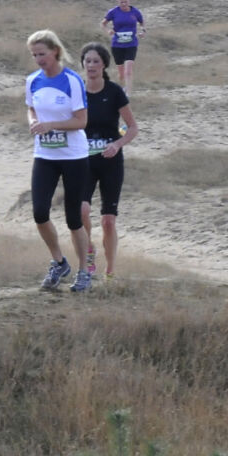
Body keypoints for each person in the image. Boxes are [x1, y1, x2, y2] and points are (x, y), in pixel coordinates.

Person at [26, 30, 92, 291]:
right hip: (45, 155)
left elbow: (81, 120)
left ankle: (84, 272)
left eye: (42, 54)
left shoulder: (72, 81)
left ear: (55, 51)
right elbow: (31, 108)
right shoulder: (32, 81)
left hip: (74, 156)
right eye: (34, 55)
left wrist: (52, 124)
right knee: (39, 212)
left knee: (73, 218)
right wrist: (33, 122)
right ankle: (59, 262)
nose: (39, 59)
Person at [79, 42, 138, 284]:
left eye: (96, 61)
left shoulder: (114, 92)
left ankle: (110, 271)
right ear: (82, 64)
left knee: (108, 220)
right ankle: (89, 250)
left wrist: (117, 144)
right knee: (81, 210)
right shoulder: (77, 92)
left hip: (111, 160)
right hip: (83, 160)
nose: (91, 65)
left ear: (104, 64)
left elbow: (133, 127)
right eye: (87, 61)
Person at [101, 0, 145, 95]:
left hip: (131, 44)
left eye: (126, 2)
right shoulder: (113, 12)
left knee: (128, 71)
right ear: (118, 1)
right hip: (117, 45)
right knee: (121, 74)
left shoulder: (135, 12)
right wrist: (108, 31)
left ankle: (128, 96)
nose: (124, 4)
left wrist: (143, 31)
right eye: (121, 2)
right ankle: (121, 91)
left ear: (129, 0)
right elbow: (103, 24)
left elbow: (142, 23)